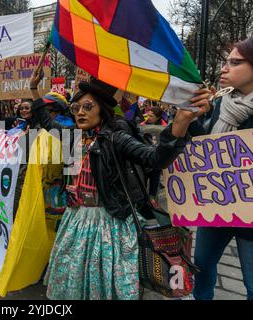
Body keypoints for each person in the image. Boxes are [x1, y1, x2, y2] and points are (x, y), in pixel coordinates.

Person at [29, 65, 211, 299]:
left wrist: (180, 124)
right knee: (73, 280)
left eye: (88, 107)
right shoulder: (72, 137)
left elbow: (154, 158)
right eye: (76, 107)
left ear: (102, 110)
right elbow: (46, 120)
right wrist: (34, 90)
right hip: (76, 219)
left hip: (109, 221)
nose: (80, 113)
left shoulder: (115, 137)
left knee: (106, 282)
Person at [191, 37, 253, 301]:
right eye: (226, 62)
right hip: (217, 206)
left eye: (235, 62)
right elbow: (202, 149)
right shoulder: (219, 104)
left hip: (250, 215)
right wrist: (194, 119)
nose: (224, 69)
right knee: (201, 264)